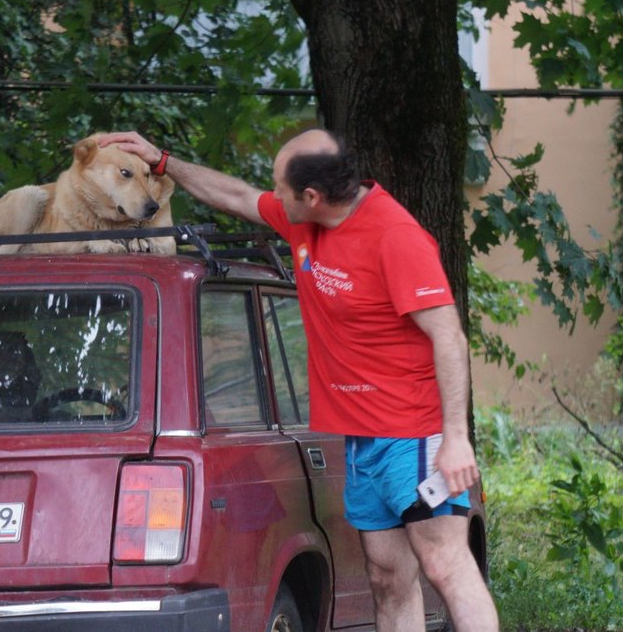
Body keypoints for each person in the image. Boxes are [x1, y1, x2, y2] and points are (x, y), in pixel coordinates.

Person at [100, 129, 499, 632]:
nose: (271, 195)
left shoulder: (395, 237)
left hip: (414, 434)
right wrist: (163, 163)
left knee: (445, 564)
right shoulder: (306, 225)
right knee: (387, 576)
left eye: (279, 187)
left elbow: (449, 337)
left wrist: (456, 439)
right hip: (363, 438)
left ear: (311, 196)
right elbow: (237, 197)